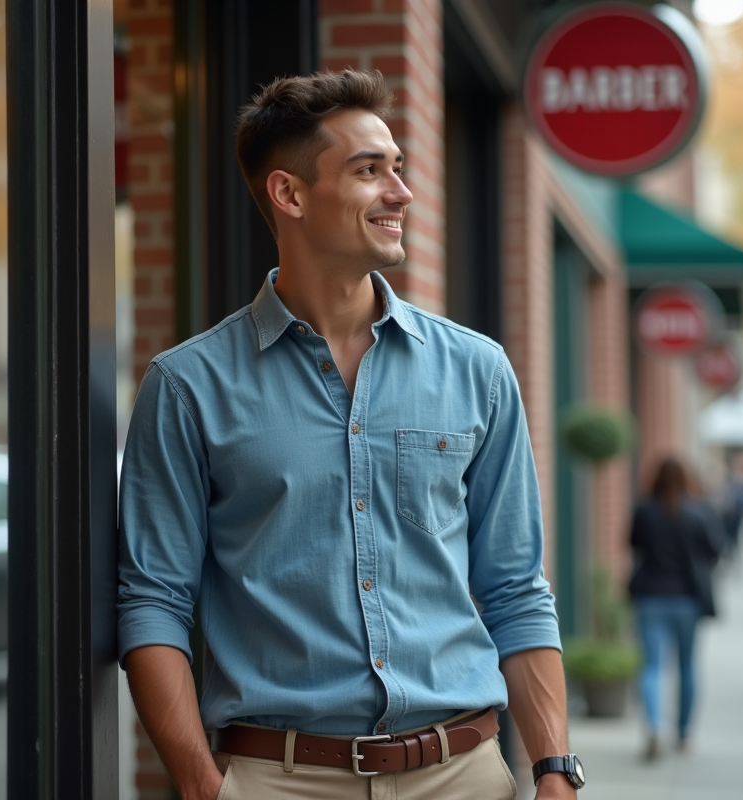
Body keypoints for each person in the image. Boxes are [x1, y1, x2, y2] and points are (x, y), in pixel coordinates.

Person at [118, 70, 582, 800]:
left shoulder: (477, 370)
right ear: (290, 194)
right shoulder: (187, 386)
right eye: (369, 171)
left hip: (462, 774)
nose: (400, 192)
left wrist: (554, 769)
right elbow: (153, 602)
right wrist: (198, 784)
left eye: (397, 168)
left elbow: (516, 590)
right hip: (280, 778)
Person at [627, 457, 725, 760]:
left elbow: (632, 544)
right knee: (687, 667)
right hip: (687, 600)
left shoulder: (645, 510)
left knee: (652, 667)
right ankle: (684, 732)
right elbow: (716, 550)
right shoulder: (698, 512)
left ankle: (655, 725)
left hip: (650, 598)